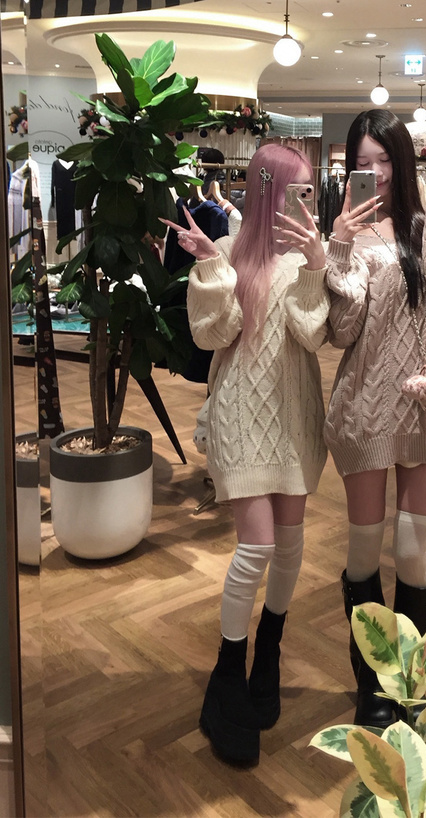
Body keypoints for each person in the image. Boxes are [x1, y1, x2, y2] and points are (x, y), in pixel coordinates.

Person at [161, 143, 329, 766]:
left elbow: (312, 334)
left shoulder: (308, 255)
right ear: (267, 191)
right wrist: (212, 268)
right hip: (239, 414)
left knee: (289, 545)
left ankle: (270, 651)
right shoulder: (230, 250)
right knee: (256, 546)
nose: (306, 202)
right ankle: (229, 669)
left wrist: (317, 266)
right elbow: (214, 334)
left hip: (295, 416)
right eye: (297, 191)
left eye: (310, 190)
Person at [324, 110, 426, 729]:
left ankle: (407, 685)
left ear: (402, 161)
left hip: (422, 406)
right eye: (363, 163)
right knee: (365, 551)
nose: (377, 173)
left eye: (385, 160)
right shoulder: (349, 234)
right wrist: (339, 247)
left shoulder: (423, 222)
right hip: (364, 408)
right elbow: (342, 331)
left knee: (414, 551)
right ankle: (372, 686)